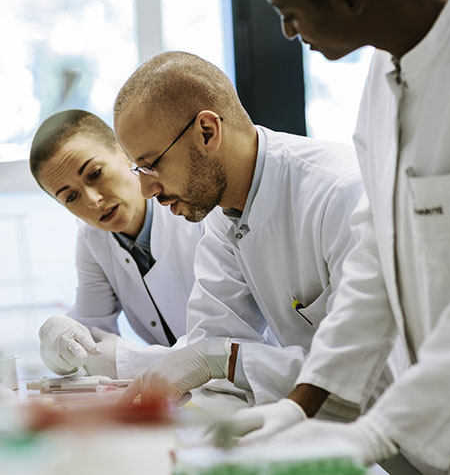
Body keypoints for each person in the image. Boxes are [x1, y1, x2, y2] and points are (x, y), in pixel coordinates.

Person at [231, 0, 450, 473]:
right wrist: (300, 404)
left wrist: (378, 432)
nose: (286, 31)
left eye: (291, 12)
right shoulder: (387, 69)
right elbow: (378, 251)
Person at [112, 51, 400, 421]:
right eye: (138, 169)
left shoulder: (340, 194)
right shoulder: (224, 216)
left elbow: (374, 378)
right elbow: (209, 350)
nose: (146, 190)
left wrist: (228, 360)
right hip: (331, 432)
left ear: (207, 132)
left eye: (152, 165)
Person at [30, 110, 202, 379]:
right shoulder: (92, 237)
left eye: (95, 173)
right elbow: (91, 335)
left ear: (124, 151)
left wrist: (129, 360)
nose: (92, 200)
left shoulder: (196, 209)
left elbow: (225, 347)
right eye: (70, 196)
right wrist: (59, 346)